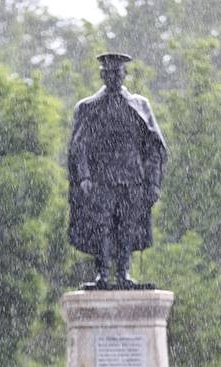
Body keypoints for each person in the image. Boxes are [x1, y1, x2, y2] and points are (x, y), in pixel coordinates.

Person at [67, 52, 167, 289]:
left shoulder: (139, 106)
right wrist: (84, 177)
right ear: (102, 75)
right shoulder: (89, 107)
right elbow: (78, 147)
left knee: (127, 225)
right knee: (101, 225)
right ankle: (102, 274)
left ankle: (123, 273)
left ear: (125, 74)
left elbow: (154, 147)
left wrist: (153, 182)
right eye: (108, 72)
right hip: (101, 179)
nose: (113, 77)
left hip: (132, 177)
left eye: (117, 72)